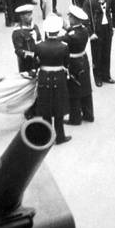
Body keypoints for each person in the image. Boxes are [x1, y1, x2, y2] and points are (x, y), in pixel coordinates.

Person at [33, 15, 72, 144]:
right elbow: (66, 64)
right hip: (59, 78)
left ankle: (47, 137)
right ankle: (60, 137)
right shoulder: (64, 46)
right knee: (59, 108)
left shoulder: (39, 46)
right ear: (58, 31)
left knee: (46, 109)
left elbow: (36, 63)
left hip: (44, 78)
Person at [83, 0, 115, 86]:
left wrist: (114, 26)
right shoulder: (89, 1)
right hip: (96, 31)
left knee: (107, 53)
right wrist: (90, 33)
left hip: (107, 29)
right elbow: (85, 18)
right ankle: (97, 77)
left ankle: (106, 75)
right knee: (97, 54)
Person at [64, 6, 95, 125]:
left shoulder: (72, 35)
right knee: (86, 88)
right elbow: (71, 32)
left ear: (74, 19)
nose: (69, 19)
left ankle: (75, 118)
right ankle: (88, 114)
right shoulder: (84, 30)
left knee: (74, 90)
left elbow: (62, 39)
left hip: (74, 62)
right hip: (83, 60)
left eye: (70, 17)